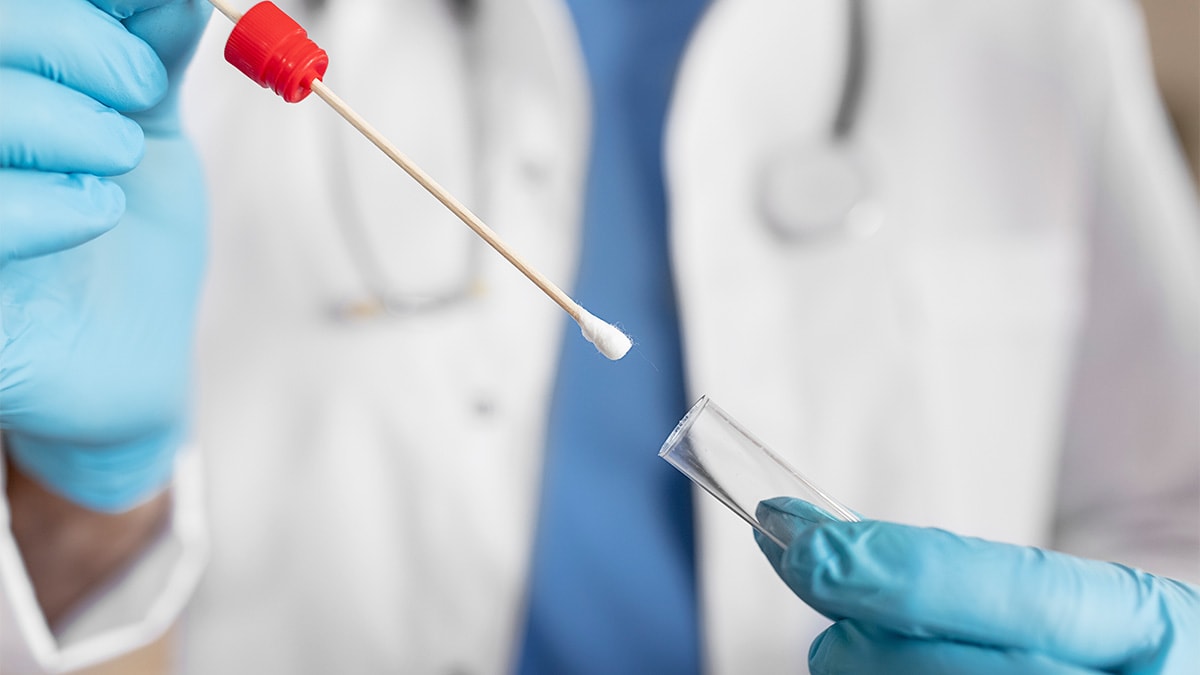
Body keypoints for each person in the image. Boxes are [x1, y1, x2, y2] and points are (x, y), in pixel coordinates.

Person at [1, 0, 1197, 673]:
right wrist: (80, 501)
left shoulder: (1031, 30)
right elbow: (91, 622)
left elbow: (1173, 517)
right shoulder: (160, 46)